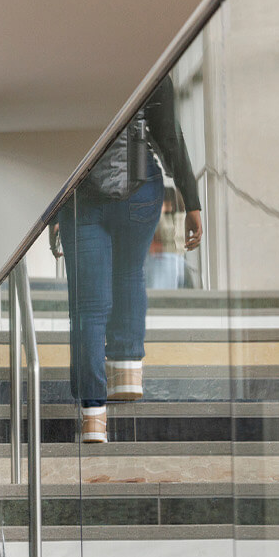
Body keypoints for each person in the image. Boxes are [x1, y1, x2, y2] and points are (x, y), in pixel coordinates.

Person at [53, 75, 203, 443]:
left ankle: (93, 416)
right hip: (139, 186)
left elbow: (57, 140)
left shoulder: (71, 64)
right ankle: (127, 367)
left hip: (81, 192)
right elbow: (169, 136)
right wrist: (191, 200)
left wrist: (52, 213)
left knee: (89, 307)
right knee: (129, 274)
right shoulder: (150, 57)